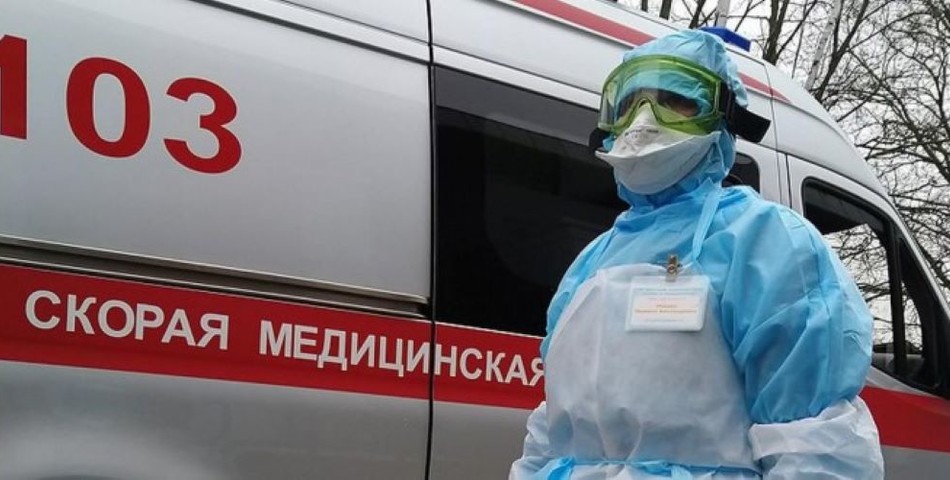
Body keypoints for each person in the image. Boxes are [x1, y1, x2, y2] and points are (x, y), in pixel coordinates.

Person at [509, 29, 884, 479]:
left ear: (722, 118)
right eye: (626, 106)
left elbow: (815, 445)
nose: (643, 122)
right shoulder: (592, 262)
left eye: (674, 100)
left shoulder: (766, 243)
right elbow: (550, 432)